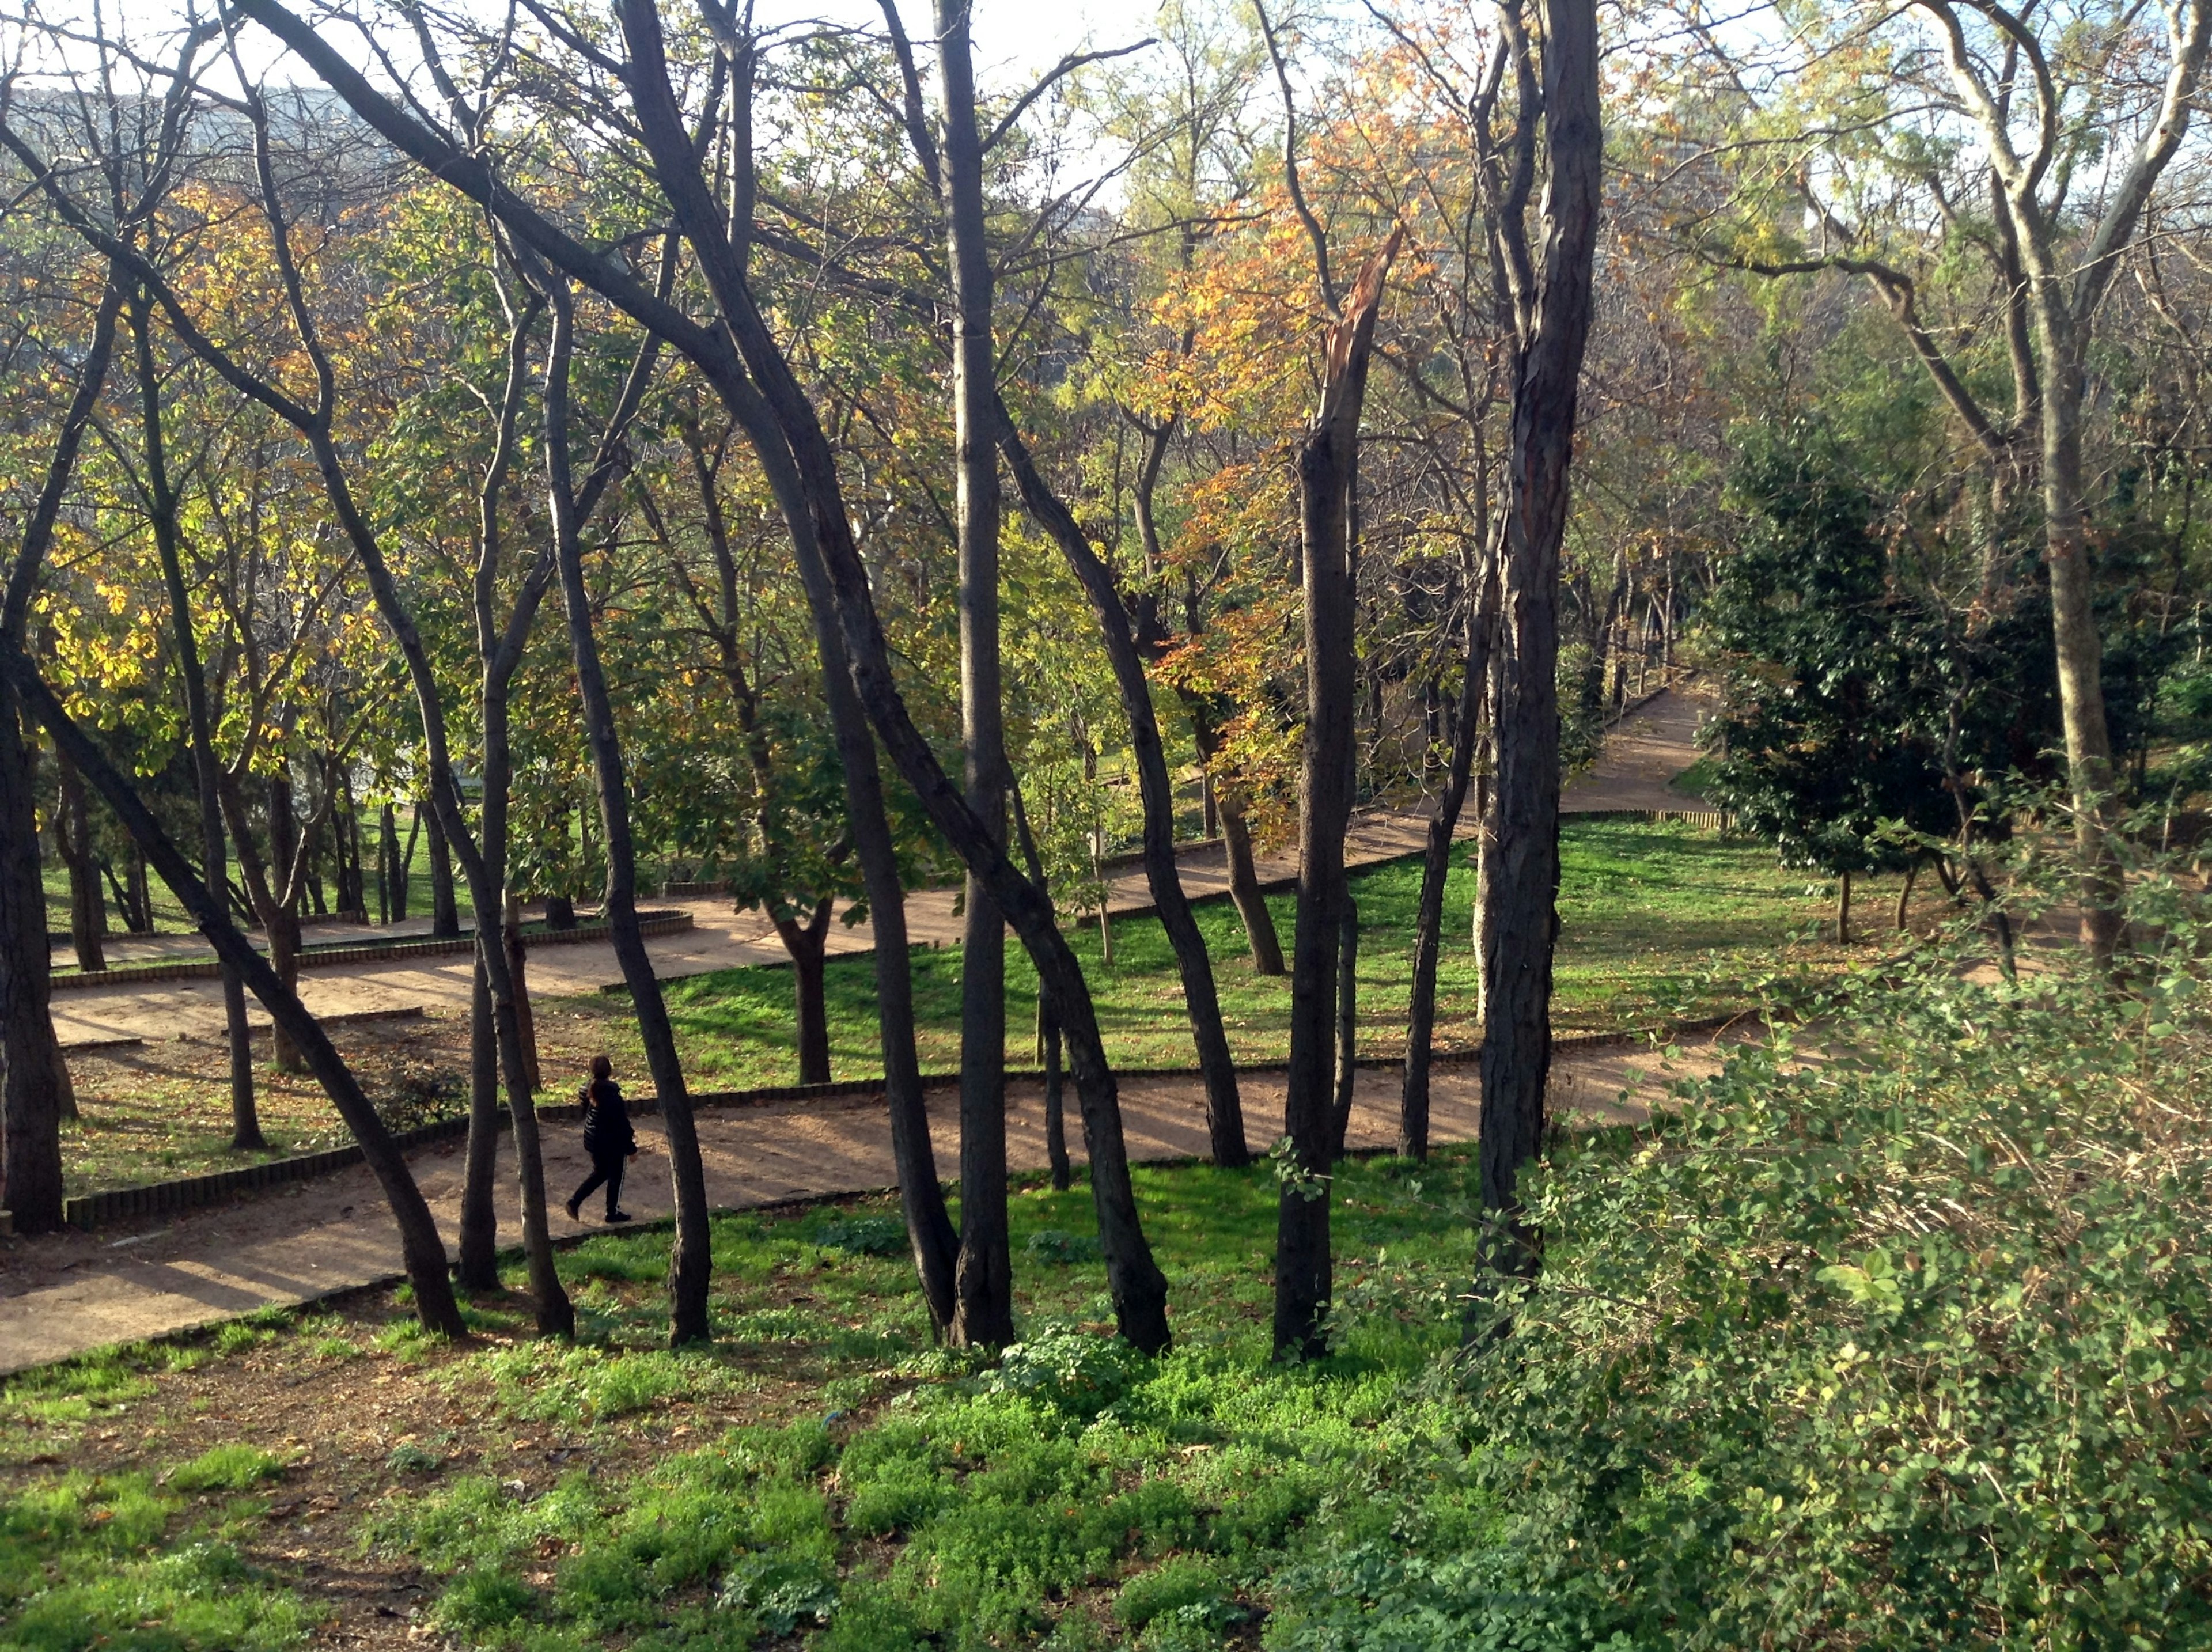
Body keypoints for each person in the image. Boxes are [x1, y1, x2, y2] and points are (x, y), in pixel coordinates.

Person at [565, 1055, 637, 1223]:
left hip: (593, 1140)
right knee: (616, 1176)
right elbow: (621, 1125)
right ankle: (612, 1212)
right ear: (609, 1071)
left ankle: (574, 1202)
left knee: (601, 1173)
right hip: (611, 1143)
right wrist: (631, 1149)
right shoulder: (612, 1097)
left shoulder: (587, 1090)